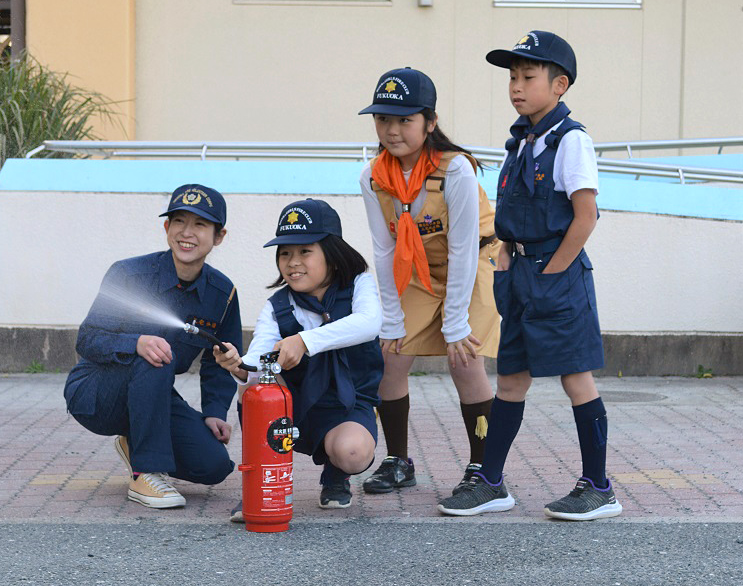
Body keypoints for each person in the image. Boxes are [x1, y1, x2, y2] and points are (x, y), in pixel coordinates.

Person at [437, 31, 622, 520]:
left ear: (559, 84)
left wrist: (551, 271)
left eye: (528, 76)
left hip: (555, 275)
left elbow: (586, 217)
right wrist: (503, 258)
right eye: (512, 77)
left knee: (575, 378)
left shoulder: (571, 140)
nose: (517, 86)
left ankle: (599, 487)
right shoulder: (521, 141)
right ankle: (492, 482)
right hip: (517, 271)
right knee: (512, 377)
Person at [357, 67, 501, 498]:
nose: (392, 130)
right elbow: (383, 251)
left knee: (465, 360)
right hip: (415, 270)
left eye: (405, 120)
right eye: (383, 119)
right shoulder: (372, 177)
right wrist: (392, 319)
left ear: (430, 123)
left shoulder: (455, 170)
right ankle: (398, 461)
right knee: (391, 356)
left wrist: (455, 324)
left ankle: (483, 468)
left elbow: (461, 250)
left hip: (471, 262)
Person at [64, 184, 242, 509]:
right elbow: (87, 339)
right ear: (166, 228)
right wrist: (136, 343)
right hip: (96, 393)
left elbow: (220, 360)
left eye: (200, 224)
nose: (187, 233)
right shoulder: (129, 274)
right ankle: (145, 473)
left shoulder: (222, 294)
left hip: (153, 397)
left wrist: (215, 412)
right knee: (154, 356)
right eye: (179, 221)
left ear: (219, 236)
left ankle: (135, 442)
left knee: (214, 465)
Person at [215, 198, 383, 513]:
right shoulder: (277, 306)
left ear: (332, 255)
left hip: (348, 406)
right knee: (253, 388)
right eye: (285, 253)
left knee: (353, 453)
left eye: (305, 251)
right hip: (293, 409)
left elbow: (369, 324)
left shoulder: (360, 284)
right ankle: (263, 482)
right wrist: (238, 366)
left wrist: (304, 341)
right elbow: (259, 356)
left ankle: (336, 475)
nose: (293, 262)